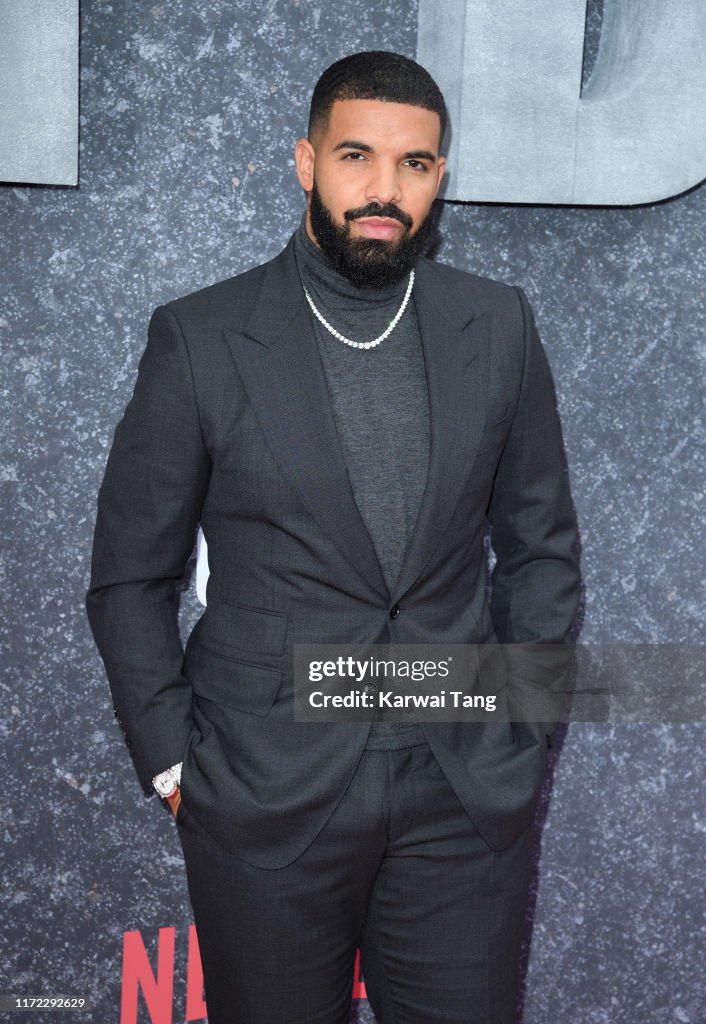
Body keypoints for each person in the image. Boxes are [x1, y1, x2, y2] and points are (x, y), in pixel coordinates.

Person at [86, 50, 580, 1024]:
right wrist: (179, 770)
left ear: (441, 178)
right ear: (305, 163)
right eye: (357, 156)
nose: (383, 189)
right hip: (264, 793)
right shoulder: (203, 336)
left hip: (461, 799)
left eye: (415, 164)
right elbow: (129, 577)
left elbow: (541, 551)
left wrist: (519, 740)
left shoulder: (499, 326)